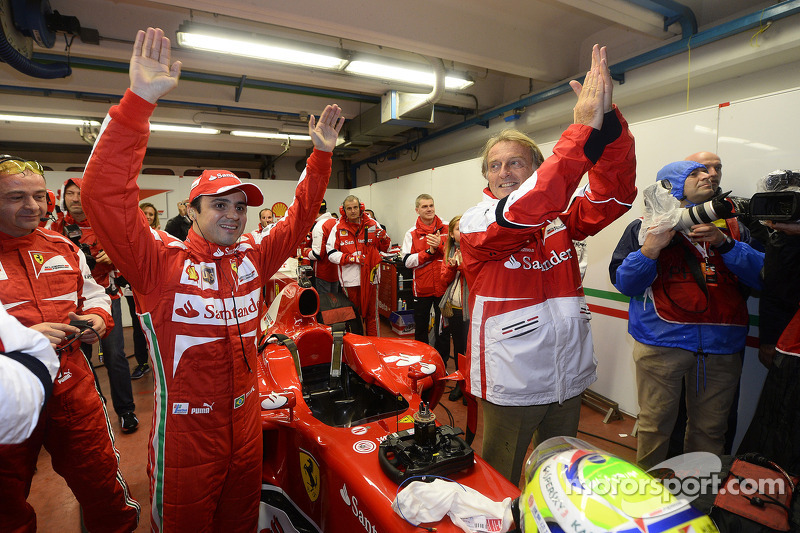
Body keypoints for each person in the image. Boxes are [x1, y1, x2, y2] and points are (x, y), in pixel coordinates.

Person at [80, 27, 343, 532]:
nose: (233, 215)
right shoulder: (160, 261)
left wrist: (321, 157)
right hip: (185, 432)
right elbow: (104, 197)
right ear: (190, 210)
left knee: (241, 522)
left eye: (240, 206)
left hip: (246, 422)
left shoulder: (254, 256)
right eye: (219, 205)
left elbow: (301, 216)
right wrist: (137, 104)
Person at [459, 45, 637, 485]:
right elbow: (526, 210)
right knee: (500, 483)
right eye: (495, 166)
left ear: (537, 168)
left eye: (516, 163)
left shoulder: (559, 220)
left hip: (569, 376)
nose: (503, 172)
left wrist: (608, 124)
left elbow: (614, 195)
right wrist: (581, 129)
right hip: (512, 382)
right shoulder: (477, 220)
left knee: (560, 478)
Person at [0, 155, 140, 531]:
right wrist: (18, 341)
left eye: (38, 196)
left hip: (73, 387)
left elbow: (94, 296)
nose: (31, 206)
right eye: (16, 197)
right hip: (7, 400)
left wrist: (98, 318)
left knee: (104, 491)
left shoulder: (63, 247)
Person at [610, 160, 764, 469]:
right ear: (671, 184)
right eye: (695, 173)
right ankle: (647, 498)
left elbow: (763, 277)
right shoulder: (643, 228)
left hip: (722, 347)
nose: (708, 176)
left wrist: (725, 245)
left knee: (710, 432)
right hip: (661, 344)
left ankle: (699, 500)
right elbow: (625, 283)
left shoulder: (733, 227)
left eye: (708, 172)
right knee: (654, 427)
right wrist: (650, 250)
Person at [60, 177, 139, 433]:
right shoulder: (54, 229)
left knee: (116, 356)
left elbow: (130, 259)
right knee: (79, 360)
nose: (74, 198)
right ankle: (96, 408)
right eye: (69, 193)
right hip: (71, 306)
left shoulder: (105, 226)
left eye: (79, 193)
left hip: (108, 298)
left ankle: (126, 411)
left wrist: (115, 256)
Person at [738, 176, 800, 472]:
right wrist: (769, 339)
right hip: (790, 348)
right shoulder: (782, 238)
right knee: (781, 428)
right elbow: (775, 290)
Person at [327, 195, 391, 336]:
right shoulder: (337, 228)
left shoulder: (373, 224)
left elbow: (386, 248)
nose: (353, 211)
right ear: (343, 210)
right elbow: (331, 254)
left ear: (361, 207)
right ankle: (356, 347)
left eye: (355, 207)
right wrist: (350, 258)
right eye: (349, 208)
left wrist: (385, 238)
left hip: (371, 279)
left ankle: (375, 346)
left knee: (372, 315)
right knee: (353, 317)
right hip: (350, 281)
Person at [0, 303, 60, 445]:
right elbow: (13, 408)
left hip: (69, 375)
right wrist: (27, 343)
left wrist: (98, 314)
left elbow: (90, 295)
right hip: (28, 391)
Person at [402, 194, 448, 360]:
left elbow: (456, 253)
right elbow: (407, 261)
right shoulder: (411, 233)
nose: (429, 209)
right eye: (424, 206)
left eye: (431, 205)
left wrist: (440, 246)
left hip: (444, 286)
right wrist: (428, 252)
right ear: (417, 210)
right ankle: (420, 358)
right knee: (421, 326)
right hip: (421, 288)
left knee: (442, 328)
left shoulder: (447, 228)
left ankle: (441, 361)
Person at [127, 201, 162, 379]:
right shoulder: (129, 233)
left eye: (151, 214)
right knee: (137, 326)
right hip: (130, 287)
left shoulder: (161, 236)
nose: (148, 217)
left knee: (156, 325)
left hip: (154, 288)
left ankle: (160, 363)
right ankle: (142, 363)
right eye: (145, 213)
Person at [438, 215, 468, 401]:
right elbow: (444, 281)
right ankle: (460, 384)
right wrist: (451, 267)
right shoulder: (449, 251)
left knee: (470, 350)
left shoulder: (475, 249)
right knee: (458, 349)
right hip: (455, 307)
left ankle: (470, 388)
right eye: (458, 228)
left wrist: (462, 266)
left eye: (465, 227)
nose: (462, 231)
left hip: (471, 308)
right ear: (450, 233)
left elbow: (478, 278)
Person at [305, 199, 340, 294]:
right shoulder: (337, 222)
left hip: (323, 272)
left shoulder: (319, 226)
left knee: (324, 304)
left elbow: (317, 254)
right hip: (337, 271)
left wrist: (306, 251)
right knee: (334, 303)